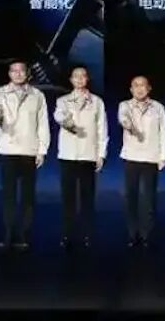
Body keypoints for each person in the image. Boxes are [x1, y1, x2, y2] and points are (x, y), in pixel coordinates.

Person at [0, 61, 50, 251]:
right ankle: (8, 233)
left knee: (27, 196)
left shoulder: (37, 95)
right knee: (8, 195)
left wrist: (42, 150)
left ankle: (23, 234)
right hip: (8, 150)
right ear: (9, 74)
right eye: (14, 71)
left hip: (29, 150)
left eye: (21, 71)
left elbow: (43, 124)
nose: (18, 74)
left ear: (27, 73)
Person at [54, 66, 109, 249]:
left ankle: (87, 234)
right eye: (75, 76)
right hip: (68, 155)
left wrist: (101, 154)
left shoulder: (97, 102)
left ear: (87, 79)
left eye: (82, 76)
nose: (79, 79)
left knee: (87, 198)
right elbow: (58, 115)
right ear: (71, 80)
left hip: (88, 154)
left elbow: (102, 129)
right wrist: (67, 122)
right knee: (68, 199)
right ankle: (67, 234)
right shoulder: (63, 101)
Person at [118, 76, 165, 248]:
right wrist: (128, 125)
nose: (139, 88)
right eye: (136, 85)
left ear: (149, 88)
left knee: (148, 198)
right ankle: (132, 234)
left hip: (151, 157)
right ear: (131, 89)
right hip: (131, 157)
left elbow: (164, 132)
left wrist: (163, 156)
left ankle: (146, 234)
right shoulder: (125, 106)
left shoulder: (158, 108)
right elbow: (123, 118)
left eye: (143, 85)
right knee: (130, 197)